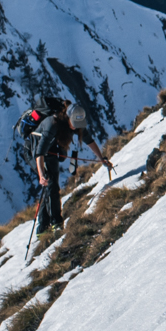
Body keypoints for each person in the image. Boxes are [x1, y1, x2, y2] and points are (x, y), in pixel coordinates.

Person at [24, 96, 106, 235]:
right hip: (34, 151)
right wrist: (41, 174)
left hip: (50, 151)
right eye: (74, 124)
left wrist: (102, 158)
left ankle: (42, 228)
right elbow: (39, 152)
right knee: (51, 184)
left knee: (52, 186)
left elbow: (89, 141)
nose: (76, 127)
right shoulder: (52, 124)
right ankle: (56, 224)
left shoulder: (77, 124)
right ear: (68, 118)